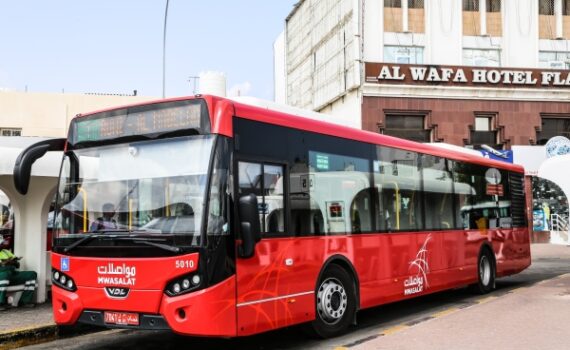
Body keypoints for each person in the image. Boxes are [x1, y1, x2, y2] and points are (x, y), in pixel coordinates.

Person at [0, 238, 37, 310]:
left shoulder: (6, 252)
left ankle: (24, 301)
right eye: (1, 244)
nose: (2, 245)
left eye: (2, 243)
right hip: (2, 275)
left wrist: (14, 261)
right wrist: (4, 263)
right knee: (5, 275)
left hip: (12, 274)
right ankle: (1, 302)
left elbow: (17, 265)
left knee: (32, 274)